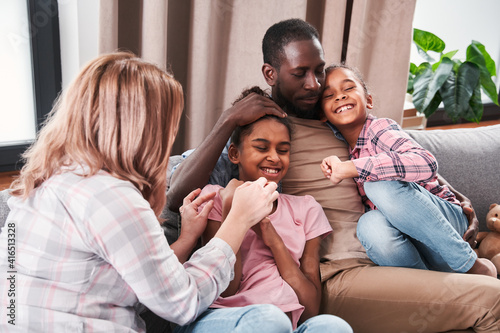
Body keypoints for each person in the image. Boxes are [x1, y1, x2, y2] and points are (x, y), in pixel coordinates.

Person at [167, 18, 500, 333]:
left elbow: (397, 159)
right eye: (300, 73)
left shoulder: (335, 116)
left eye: (319, 71)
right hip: (341, 269)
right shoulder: (263, 133)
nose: (314, 84)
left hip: (390, 251)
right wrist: (227, 121)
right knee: (491, 298)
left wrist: (451, 194)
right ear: (271, 73)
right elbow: (176, 194)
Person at [0, 52, 294, 333]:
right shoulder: (111, 197)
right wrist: (239, 220)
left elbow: (139, 283)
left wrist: (188, 237)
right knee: (270, 322)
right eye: (166, 126)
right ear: (142, 128)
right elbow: (182, 303)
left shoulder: (45, 184)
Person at [175, 87, 353, 333]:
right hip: (224, 317)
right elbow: (227, 289)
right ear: (235, 154)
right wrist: (231, 210)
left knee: (333, 326)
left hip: (283, 322)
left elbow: (310, 308)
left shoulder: (306, 208)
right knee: (270, 320)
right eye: (261, 148)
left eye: (283, 150)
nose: (274, 158)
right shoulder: (216, 197)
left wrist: (274, 241)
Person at [319, 64, 497, 277]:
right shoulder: (342, 147)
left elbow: (426, 162)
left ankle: (469, 264)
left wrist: (352, 168)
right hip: (418, 246)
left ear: (368, 100)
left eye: (348, 89)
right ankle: (429, 285)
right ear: (322, 116)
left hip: (447, 226)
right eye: (329, 95)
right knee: (369, 224)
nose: (340, 97)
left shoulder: (379, 129)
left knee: (377, 183)